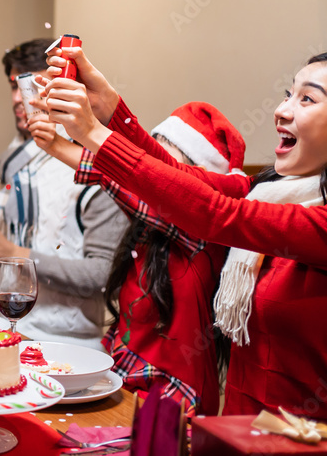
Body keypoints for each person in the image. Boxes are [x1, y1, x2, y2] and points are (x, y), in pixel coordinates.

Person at [42, 43, 327, 419]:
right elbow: (180, 179)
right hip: (237, 430)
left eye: (307, 100)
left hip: (299, 439)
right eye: (289, 94)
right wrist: (109, 107)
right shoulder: (269, 193)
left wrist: (94, 134)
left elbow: (210, 213)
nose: (281, 110)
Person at [30, 103, 244, 416]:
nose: (152, 171)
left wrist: (61, 146)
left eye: (165, 160)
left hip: (175, 402)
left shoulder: (203, 236)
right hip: (127, 383)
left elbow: (129, 185)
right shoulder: (146, 232)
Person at [0, 39, 129, 349]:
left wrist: (16, 254)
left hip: (63, 345)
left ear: (61, 86)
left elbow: (103, 276)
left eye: (30, 84)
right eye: (13, 86)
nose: (19, 98)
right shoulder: (11, 160)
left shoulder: (91, 163)